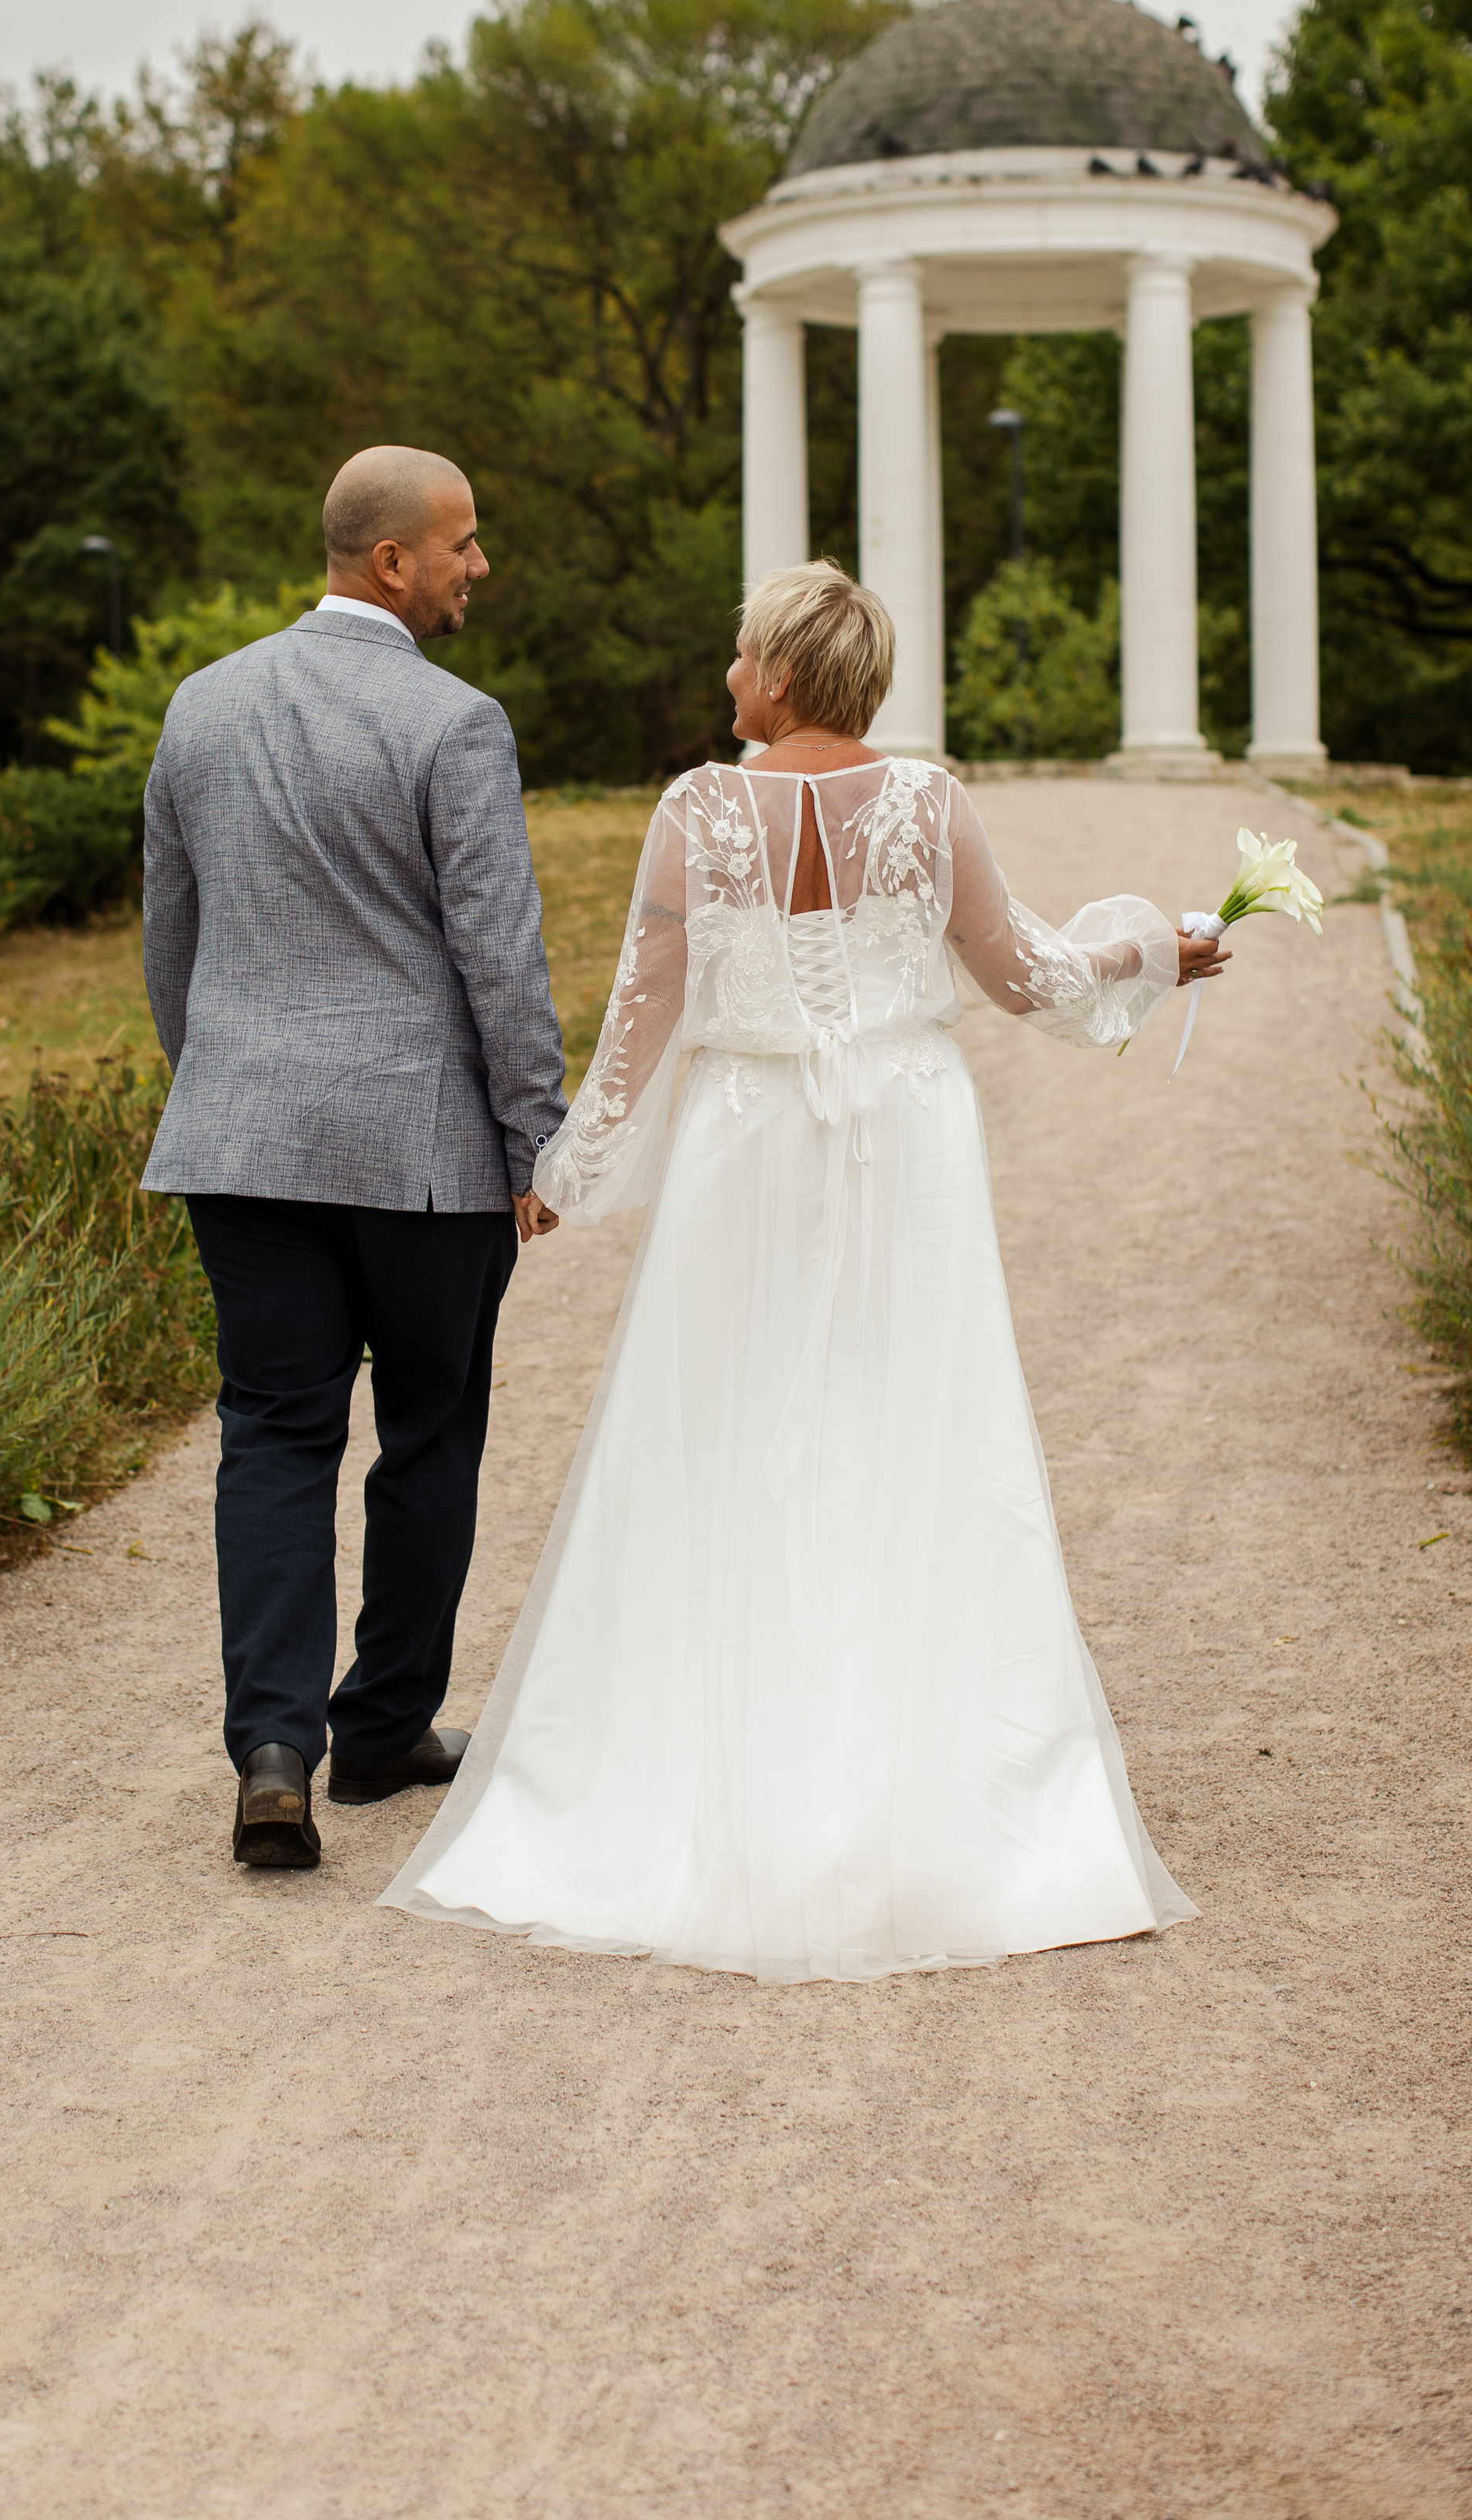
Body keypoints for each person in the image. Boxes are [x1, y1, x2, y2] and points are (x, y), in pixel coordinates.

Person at [383, 559, 1227, 1984]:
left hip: (745, 1137)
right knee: (913, 1418)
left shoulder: (700, 810)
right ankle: (934, 1774)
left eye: (740, 654)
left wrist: (564, 1172)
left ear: (779, 671)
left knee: (728, 1424)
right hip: (906, 1129)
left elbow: (645, 1017)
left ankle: (716, 1755)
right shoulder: (928, 800)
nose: (727, 675)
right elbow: (1025, 976)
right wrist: (1152, 949)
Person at [141, 445, 568, 1874]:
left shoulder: (201, 706)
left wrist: (218, 1085)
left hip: (242, 1142)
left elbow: (170, 938)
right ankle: (384, 1725)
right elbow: (498, 956)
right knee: (430, 1428)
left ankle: (274, 1747)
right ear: (392, 562)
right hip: (423, 1156)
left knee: (272, 1432)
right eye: (462, 543)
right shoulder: (455, 724)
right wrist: (535, 1133)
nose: (477, 565)